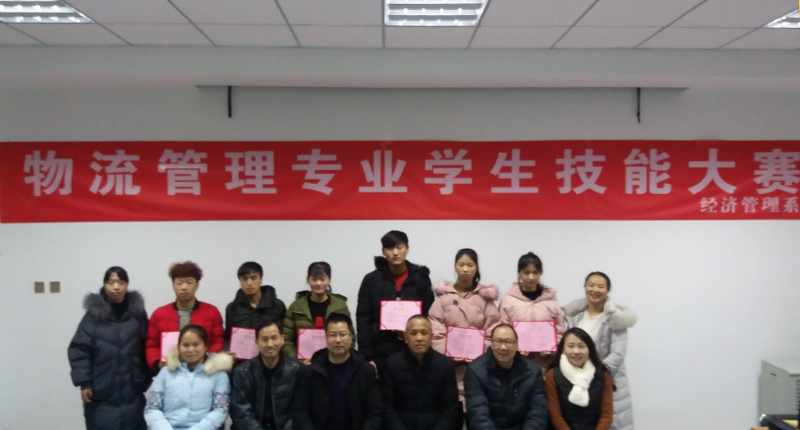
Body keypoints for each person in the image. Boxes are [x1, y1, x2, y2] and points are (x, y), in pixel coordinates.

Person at [68, 266, 150, 430]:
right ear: (104, 285)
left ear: (127, 285)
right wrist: (85, 383)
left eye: (121, 282)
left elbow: (147, 345)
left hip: (132, 391)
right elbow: (79, 349)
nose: (116, 287)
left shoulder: (137, 314)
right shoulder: (93, 316)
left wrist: (147, 375)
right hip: (101, 391)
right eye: (111, 283)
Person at [562, 272, 637, 430]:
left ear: (608, 290)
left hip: (606, 379)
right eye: (591, 285)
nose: (595, 289)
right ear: (585, 287)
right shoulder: (573, 316)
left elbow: (618, 354)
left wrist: (596, 374)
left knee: (608, 423)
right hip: (577, 380)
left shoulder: (616, 318)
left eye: (600, 286)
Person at [429, 248, 500, 405]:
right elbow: (435, 332)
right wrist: (448, 354)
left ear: (476, 268)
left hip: (479, 369)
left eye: (470, 265)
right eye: (461, 265)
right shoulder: (443, 298)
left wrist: (478, 354)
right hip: (448, 369)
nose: (465, 269)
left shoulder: (485, 299)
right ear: (455, 266)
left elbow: (493, 332)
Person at [356, 230, 434, 372]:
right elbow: (363, 320)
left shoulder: (421, 279)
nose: (395, 253)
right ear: (383, 251)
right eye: (390, 248)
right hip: (381, 354)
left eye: (399, 247)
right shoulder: (371, 281)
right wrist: (367, 357)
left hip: (415, 354)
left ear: (407, 249)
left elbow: (429, 316)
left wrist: (412, 332)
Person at [293, 313, 382, 430]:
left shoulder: (366, 371)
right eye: (333, 335)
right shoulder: (310, 372)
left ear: (351, 337)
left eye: (343, 334)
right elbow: (300, 411)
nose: (338, 340)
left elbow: (375, 412)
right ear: (326, 337)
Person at [144, 324, 233, 430]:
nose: (190, 349)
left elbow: (221, 410)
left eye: (196, 344)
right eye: (185, 345)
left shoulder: (218, 374)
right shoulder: (166, 372)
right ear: (178, 347)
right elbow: (152, 408)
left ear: (206, 346)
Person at [380, 315, 460, 430]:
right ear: (406, 338)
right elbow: (387, 408)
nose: (419, 338)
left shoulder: (445, 365)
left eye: (424, 333)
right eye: (413, 333)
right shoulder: (391, 365)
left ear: (431, 337)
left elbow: (451, 408)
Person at [463, 324, 548, 430]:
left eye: (509, 342)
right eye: (498, 341)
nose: (503, 347)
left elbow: (538, 410)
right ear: (491, 344)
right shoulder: (475, 371)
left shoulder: (533, 371)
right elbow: (478, 414)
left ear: (517, 345)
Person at [146, 261, 225, 372]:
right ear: (173, 285)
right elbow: (152, 345)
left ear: (197, 285)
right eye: (179, 283)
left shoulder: (212, 312)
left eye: (189, 282)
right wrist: (157, 363)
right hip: (171, 370)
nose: (184, 287)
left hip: (203, 369)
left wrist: (205, 360)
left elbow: (218, 341)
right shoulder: (159, 314)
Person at [231, 319, 303, 430]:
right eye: (264, 339)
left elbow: (298, 411)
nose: (270, 344)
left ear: (282, 339)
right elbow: (241, 412)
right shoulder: (243, 372)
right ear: (256, 343)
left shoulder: (297, 370)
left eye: (274, 338)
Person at [498, 252, 565, 372]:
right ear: (518, 273)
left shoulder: (551, 299)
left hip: (546, 366)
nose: (531, 277)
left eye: (535, 273)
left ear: (541, 273)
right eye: (526, 273)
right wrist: (514, 348)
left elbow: (559, 330)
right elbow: (502, 330)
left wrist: (552, 347)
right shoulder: (508, 300)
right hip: (515, 366)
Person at [545, 328, 614, 430]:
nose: (576, 351)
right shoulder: (552, 375)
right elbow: (555, 415)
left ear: (589, 349)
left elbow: (606, 416)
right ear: (563, 349)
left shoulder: (603, 375)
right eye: (570, 346)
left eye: (581, 346)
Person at [283, 262, 352, 362]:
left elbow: (350, 336)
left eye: (322, 279)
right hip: (303, 364)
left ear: (329, 280)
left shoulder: (340, 306)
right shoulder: (296, 307)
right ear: (308, 281)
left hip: (334, 363)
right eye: (314, 279)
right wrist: (298, 362)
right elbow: (286, 340)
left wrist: (339, 359)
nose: (318, 283)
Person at [224, 261, 287, 358]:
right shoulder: (232, 308)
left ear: (261, 280)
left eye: (253, 278)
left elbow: (284, 334)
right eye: (244, 279)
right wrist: (227, 350)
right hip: (242, 360)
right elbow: (228, 337)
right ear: (240, 281)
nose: (249, 283)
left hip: (272, 358)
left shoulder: (277, 305)